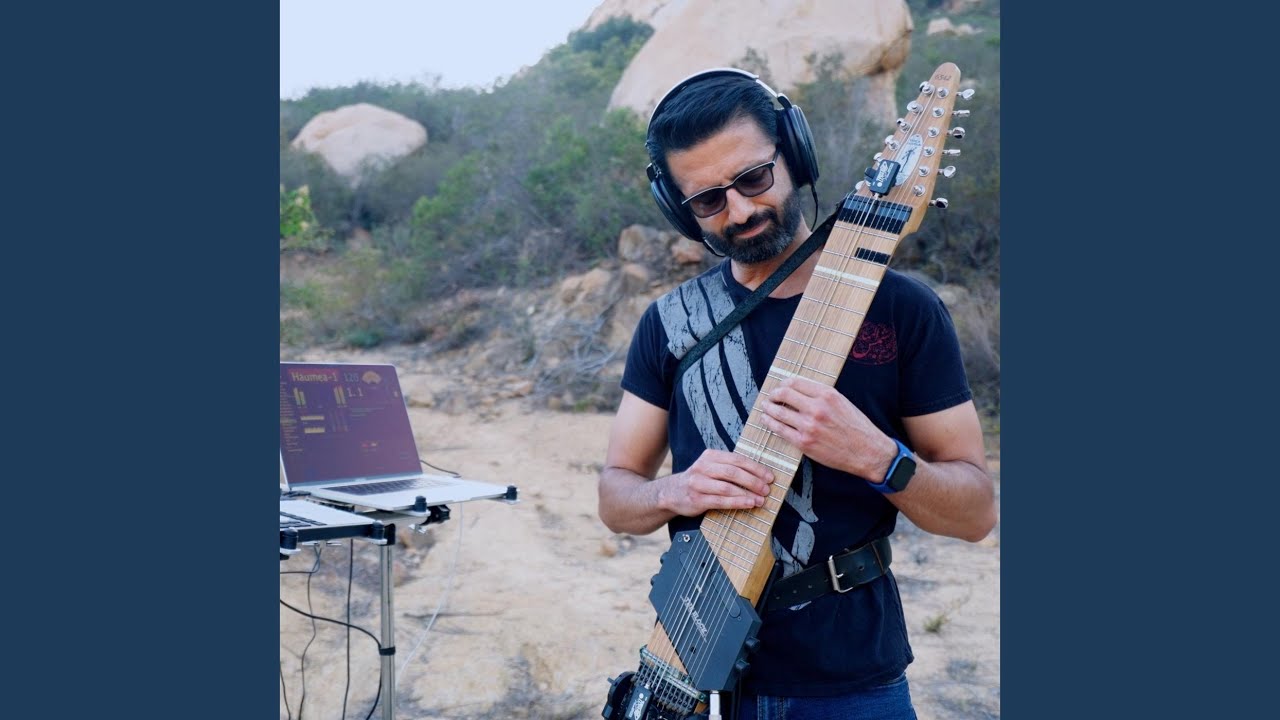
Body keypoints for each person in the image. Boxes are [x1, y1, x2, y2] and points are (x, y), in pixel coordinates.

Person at [597, 68, 996, 719]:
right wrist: (673, 492)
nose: (740, 211)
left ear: (795, 156)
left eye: (754, 178)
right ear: (679, 209)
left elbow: (975, 513)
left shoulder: (902, 311)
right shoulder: (671, 324)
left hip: (852, 683)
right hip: (693, 672)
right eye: (709, 200)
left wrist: (878, 457)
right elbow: (617, 496)